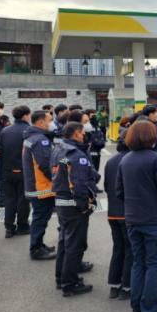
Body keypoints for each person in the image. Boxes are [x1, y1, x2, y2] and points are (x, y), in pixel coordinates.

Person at [116, 120, 157, 312]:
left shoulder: (125, 159)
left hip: (132, 218)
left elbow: (119, 191)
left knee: (138, 264)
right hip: (153, 219)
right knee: (152, 265)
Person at [52, 122, 99, 297]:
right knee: (74, 245)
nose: (84, 135)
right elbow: (79, 184)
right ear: (76, 134)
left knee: (64, 241)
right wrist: (84, 206)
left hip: (61, 200)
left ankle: (61, 278)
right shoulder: (75, 154)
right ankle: (70, 284)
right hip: (73, 204)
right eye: (82, 132)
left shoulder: (58, 149)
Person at [22, 110, 56, 261]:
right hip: (41, 186)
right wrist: (56, 179)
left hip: (35, 185)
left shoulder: (31, 137)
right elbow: (45, 164)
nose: (51, 123)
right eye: (49, 120)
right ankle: (36, 249)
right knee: (40, 218)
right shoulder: (40, 140)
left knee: (40, 217)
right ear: (41, 122)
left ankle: (39, 244)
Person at [104, 134, 131, 300]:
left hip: (113, 211)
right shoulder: (131, 160)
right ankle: (127, 287)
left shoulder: (111, 161)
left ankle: (114, 285)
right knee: (130, 251)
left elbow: (107, 186)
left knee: (118, 248)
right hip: (128, 212)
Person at [0, 105, 32, 238]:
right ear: (25, 116)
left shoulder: (5, 130)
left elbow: (0, 150)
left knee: (9, 199)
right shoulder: (29, 130)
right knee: (23, 199)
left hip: (7, 170)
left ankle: (9, 227)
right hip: (24, 170)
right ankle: (22, 226)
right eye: (29, 114)